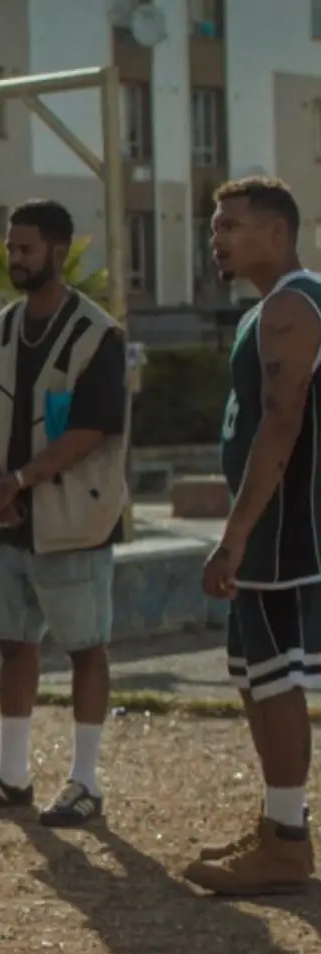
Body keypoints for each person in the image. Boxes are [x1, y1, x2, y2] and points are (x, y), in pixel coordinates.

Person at [0, 199, 130, 829]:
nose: (16, 257)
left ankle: (85, 782)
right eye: (12, 245)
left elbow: (92, 429)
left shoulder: (96, 335)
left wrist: (21, 479)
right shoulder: (2, 329)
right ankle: (12, 773)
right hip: (12, 520)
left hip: (74, 518)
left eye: (27, 247)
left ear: (59, 252)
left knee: (86, 646)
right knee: (13, 641)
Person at [189, 175, 321, 896]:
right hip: (274, 523)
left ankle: (287, 843)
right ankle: (278, 823)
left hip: (283, 529)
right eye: (216, 227)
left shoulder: (292, 308)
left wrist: (236, 536)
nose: (219, 238)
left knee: (275, 679)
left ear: (277, 231)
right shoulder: (272, 308)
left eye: (232, 225)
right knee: (253, 673)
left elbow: (282, 421)